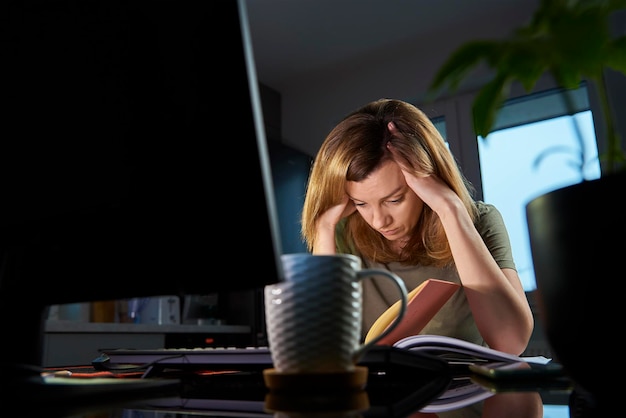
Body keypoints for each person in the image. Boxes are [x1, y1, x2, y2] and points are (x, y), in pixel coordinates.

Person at [301, 98, 533, 355]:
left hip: (467, 391)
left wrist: (450, 208)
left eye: (394, 199)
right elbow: (320, 352)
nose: (379, 221)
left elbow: (511, 343)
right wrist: (323, 230)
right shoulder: (343, 236)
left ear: (426, 181)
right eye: (361, 203)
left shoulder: (480, 221)